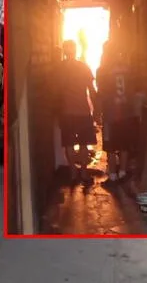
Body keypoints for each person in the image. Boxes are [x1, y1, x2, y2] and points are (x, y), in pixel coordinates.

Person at [55, 39, 98, 184]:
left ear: (64, 51)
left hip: (66, 112)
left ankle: (73, 172)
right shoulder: (83, 67)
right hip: (83, 112)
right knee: (84, 143)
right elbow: (92, 90)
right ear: (75, 51)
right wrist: (97, 110)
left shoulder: (59, 68)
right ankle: (84, 173)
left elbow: (55, 90)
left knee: (69, 144)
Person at [96, 41, 136, 183]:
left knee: (111, 146)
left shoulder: (102, 70)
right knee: (124, 144)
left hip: (111, 114)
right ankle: (123, 172)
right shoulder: (127, 68)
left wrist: (97, 112)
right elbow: (133, 89)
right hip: (126, 113)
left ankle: (112, 173)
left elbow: (100, 93)